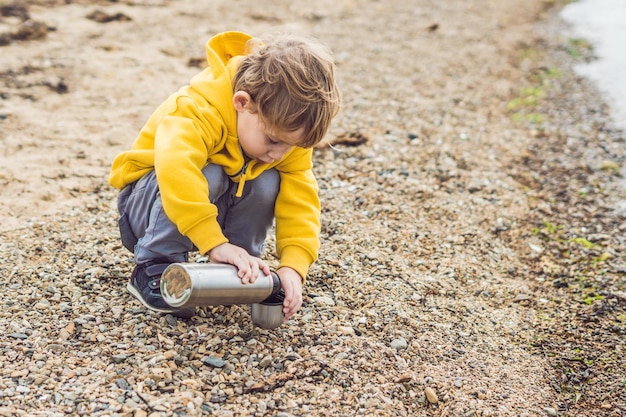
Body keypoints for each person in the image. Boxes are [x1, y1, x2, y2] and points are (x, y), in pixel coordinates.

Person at [108, 31, 341, 321]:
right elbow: (175, 171)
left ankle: (239, 264)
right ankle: (156, 262)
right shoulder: (199, 110)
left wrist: (293, 267)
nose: (280, 153)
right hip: (148, 205)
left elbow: (301, 203)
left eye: (291, 145)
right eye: (273, 141)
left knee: (270, 180)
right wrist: (213, 243)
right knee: (211, 171)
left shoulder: (283, 134)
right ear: (242, 103)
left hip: (208, 211)